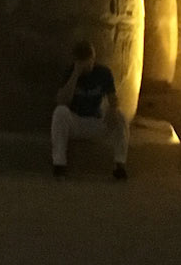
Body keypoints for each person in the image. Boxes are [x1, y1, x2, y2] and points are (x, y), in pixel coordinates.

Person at [51, 40, 129, 179]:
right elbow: (62, 100)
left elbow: (113, 99)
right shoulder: (70, 72)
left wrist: (112, 109)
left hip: (96, 120)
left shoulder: (103, 73)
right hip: (76, 122)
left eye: (89, 61)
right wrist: (75, 74)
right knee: (60, 112)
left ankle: (120, 164)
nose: (88, 66)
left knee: (120, 116)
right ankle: (59, 164)